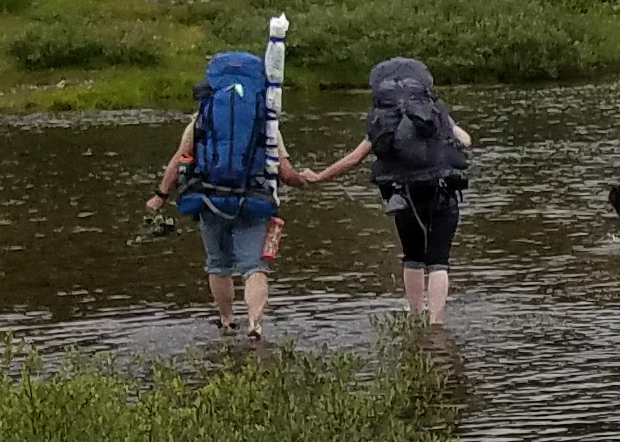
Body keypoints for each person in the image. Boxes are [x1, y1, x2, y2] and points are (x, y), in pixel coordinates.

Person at [292, 55, 476, 322]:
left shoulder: (382, 121)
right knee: (438, 260)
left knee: (412, 256)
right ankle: (435, 323)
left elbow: (354, 159)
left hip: (403, 195)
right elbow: (467, 141)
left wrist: (319, 176)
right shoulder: (435, 112)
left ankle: (415, 316)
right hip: (443, 190)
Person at [154, 48, 283, 340]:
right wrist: (306, 180)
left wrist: (160, 195)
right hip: (253, 201)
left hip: (208, 200)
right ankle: (255, 325)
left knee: (218, 264)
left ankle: (227, 321)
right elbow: (283, 169)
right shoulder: (265, 119)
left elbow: (179, 159)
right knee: (253, 266)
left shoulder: (203, 116)